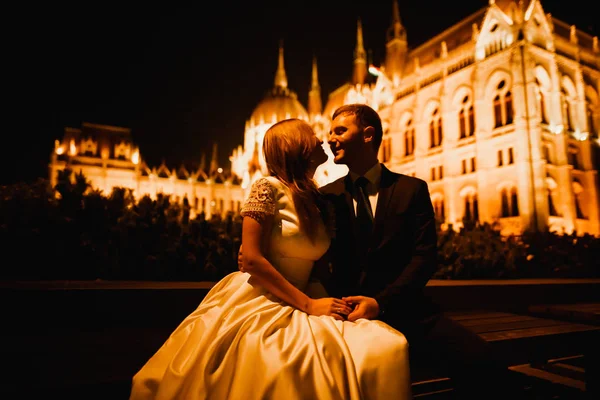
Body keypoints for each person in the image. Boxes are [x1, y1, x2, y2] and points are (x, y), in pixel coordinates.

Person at [129, 118, 413, 400]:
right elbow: (251, 259)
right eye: (313, 134)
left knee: (383, 345)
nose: (321, 138)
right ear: (297, 145)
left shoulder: (317, 197)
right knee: (283, 362)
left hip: (308, 297)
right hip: (264, 301)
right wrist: (310, 304)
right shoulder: (266, 187)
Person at [316, 103, 521, 399]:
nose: (330, 139)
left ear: (368, 135)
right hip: (342, 318)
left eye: (339, 131)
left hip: (406, 312)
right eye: (329, 132)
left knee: (482, 362)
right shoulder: (326, 196)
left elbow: (424, 258)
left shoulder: (411, 189)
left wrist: (380, 303)